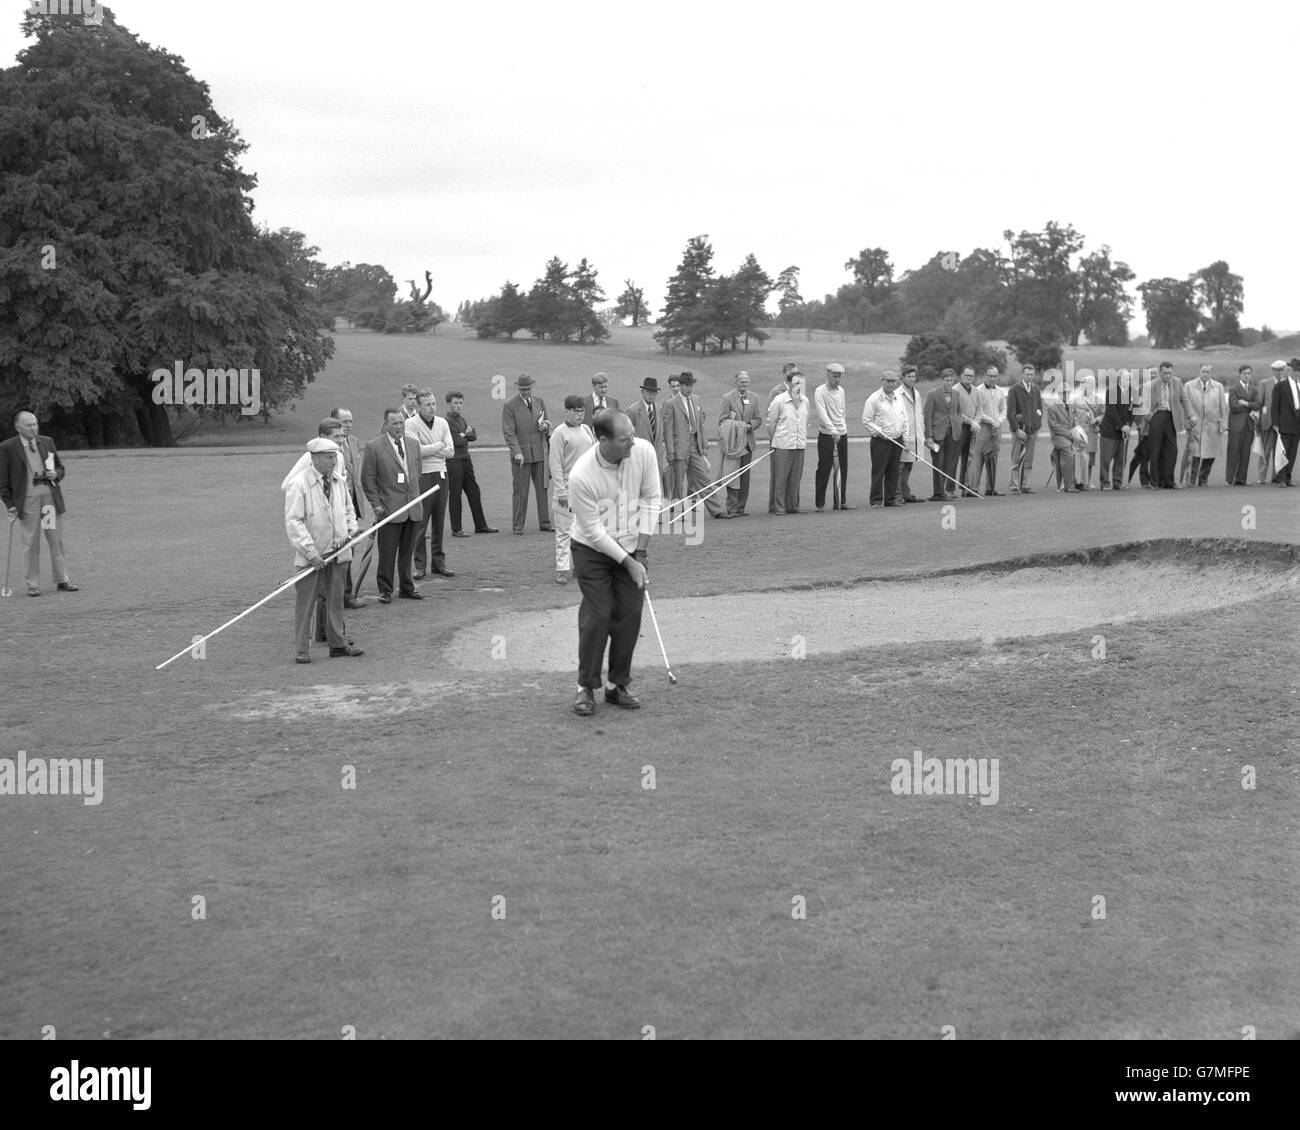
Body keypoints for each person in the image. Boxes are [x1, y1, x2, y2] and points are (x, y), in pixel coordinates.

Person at [568, 411, 660, 717]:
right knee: (598, 614)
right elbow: (593, 531)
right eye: (625, 439)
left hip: (633, 545)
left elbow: (651, 499)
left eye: (632, 435)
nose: (632, 443)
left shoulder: (643, 451)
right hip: (591, 550)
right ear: (603, 440)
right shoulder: (582, 474)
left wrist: (641, 553)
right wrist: (628, 563)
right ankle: (586, 687)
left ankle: (617, 685)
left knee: (630, 613)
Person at [284, 437, 362, 663]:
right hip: (313, 558)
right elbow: (294, 522)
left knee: (335, 601)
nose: (334, 461)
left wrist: (349, 534)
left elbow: (349, 512)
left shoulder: (338, 481)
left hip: (339, 554)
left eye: (335, 456)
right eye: (329, 457)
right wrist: (312, 553)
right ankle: (302, 649)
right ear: (315, 458)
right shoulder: (299, 484)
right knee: (306, 604)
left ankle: (337, 643)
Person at [0, 411, 76, 596]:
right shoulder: (7, 447)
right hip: (27, 503)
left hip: (49, 499)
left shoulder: (47, 441)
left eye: (35, 424)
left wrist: (56, 474)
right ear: (18, 427)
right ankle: (32, 585)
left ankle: (62, 579)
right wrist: (10, 505)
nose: (33, 428)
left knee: (55, 539)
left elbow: (60, 468)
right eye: (29, 425)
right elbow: (2, 482)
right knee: (31, 543)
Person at [361, 408, 425, 603]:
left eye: (401, 423)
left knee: (407, 552)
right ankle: (385, 590)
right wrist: (377, 505)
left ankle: (406, 587)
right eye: (394, 423)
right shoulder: (374, 447)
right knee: (388, 553)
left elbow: (417, 473)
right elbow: (367, 480)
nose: (399, 427)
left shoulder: (414, 444)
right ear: (386, 424)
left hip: (412, 507)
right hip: (389, 510)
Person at [406, 389, 455, 578]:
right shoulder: (411, 424)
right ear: (419, 406)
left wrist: (432, 448)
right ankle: (419, 565)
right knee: (421, 522)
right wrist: (438, 446)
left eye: (434, 403)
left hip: (441, 474)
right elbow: (417, 451)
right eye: (428, 404)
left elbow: (451, 451)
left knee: (439, 522)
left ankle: (438, 563)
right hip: (423, 476)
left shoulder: (442, 422)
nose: (432, 407)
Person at [549, 396, 597, 584]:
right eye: (576, 411)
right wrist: (560, 491)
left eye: (582, 411)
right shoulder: (559, 434)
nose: (579, 415)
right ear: (567, 411)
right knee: (564, 531)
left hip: (585, 489)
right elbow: (555, 464)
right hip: (567, 489)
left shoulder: (586, 429)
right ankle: (562, 569)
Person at [663, 372, 725, 518]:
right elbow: (668, 430)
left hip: (695, 447)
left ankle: (717, 511)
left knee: (704, 479)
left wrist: (704, 446)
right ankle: (678, 512)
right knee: (679, 483)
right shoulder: (670, 404)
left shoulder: (696, 400)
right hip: (679, 449)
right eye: (688, 385)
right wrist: (670, 451)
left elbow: (700, 425)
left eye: (692, 385)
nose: (691, 388)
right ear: (681, 386)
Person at [330, 407, 374, 607]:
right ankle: (343, 595)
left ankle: (345, 593)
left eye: (350, 421)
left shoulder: (354, 442)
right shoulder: (331, 447)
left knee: (351, 549)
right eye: (344, 421)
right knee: (343, 550)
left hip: (353, 504)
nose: (348, 425)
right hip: (336, 506)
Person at [502, 374, 553, 534]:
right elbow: (509, 433)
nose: (526, 392)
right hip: (521, 457)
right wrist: (517, 452)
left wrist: (545, 425)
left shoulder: (539, 401)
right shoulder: (509, 405)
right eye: (523, 389)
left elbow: (547, 421)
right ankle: (517, 526)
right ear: (518, 389)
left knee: (542, 490)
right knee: (520, 492)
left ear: (532, 387)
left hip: (539, 453)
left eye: (528, 389)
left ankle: (545, 523)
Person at [444, 391, 498, 536]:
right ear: (449, 404)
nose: (458, 406)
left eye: (460, 403)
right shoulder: (446, 421)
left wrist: (465, 435)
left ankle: (480, 525)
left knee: (474, 492)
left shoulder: (461, 420)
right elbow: (457, 441)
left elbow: (472, 435)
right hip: (454, 462)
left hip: (466, 460)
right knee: (455, 495)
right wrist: (465, 435)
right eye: (455, 403)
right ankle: (456, 529)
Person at [719, 370, 765, 515]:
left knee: (745, 477)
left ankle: (741, 508)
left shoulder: (754, 397)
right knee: (732, 476)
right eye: (742, 381)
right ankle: (732, 508)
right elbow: (722, 420)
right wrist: (738, 426)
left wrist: (751, 424)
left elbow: (758, 419)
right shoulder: (727, 398)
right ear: (736, 382)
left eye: (747, 381)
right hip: (733, 444)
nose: (745, 384)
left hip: (747, 444)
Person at [862, 371, 910, 507]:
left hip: (897, 439)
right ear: (882, 381)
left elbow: (904, 419)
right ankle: (876, 500)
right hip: (881, 441)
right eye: (888, 381)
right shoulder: (874, 398)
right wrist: (879, 432)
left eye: (893, 381)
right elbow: (866, 420)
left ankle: (891, 499)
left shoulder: (899, 398)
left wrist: (905, 439)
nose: (891, 384)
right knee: (879, 470)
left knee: (893, 471)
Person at [1144, 362, 1195, 489]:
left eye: (1170, 373)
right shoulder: (1151, 385)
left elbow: (1185, 400)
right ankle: (1154, 483)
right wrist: (1149, 417)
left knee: (1172, 451)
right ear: (1160, 372)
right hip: (1157, 417)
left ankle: (1169, 482)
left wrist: (1191, 415)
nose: (1168, 375)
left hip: (1171, 418)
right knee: (1155, 451)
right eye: (1165, 373)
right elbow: (1143, 405)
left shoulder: (1177, 382)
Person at [766, 373, 810, 515]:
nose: (799, 386)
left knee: (795, 477)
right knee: (780, 478)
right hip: (782, 445)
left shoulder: (805, 401)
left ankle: (793, 505)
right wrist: (776, 440)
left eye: (801, 383)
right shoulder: (779, 400)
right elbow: (771, 423)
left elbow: (804, 421)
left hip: (799, 445)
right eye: (796, 383)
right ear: (789, 383)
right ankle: (778, 506)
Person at [813, 363, 852, 511]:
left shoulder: (841, 391)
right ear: (828, 375)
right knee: (824, 468)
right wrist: (832, 429)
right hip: (827, 435)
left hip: (842, 433)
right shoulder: (820, 391)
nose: (837, 379)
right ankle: (820, 504)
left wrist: (842, 428)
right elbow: (822, 414)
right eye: (834, 376)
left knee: (842, 468)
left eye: (839, 376)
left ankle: (840, 501)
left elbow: (842, 411)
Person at [1182, 363, 1228, 487]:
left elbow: (1223, 406)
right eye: (1203, 371)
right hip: (1195, 425)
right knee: (1194, 454)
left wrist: (1224, 424)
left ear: (1211, 373)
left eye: (1208, 372)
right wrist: (1187, 424)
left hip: (1212, 425)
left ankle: (1203, 479)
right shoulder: (1188, 386)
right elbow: (1185, 406)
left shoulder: (1218, 387)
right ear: (1199, 371)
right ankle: (1191, 481)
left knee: (1210, 454)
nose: (1205, 374)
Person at [626, 377, 669, 501]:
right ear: (642, 392)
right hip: (639, 457)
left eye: (654, 392)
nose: (651, 395)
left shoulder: (660, 409)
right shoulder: (633, 411)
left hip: (657, 456)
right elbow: (627, 434)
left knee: (657, 484)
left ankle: (658, 512)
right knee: (641, 486)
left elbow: (662, 433)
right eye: (649, 392)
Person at [922, 369, 963, 500]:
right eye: (947, 380)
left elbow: (958, 413)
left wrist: (958, 425)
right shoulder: (932, 394)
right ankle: (938, 493)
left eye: (951, 380)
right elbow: (927, 416)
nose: (949, 383)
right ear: (942, 380)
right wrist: (928, 436)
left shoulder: (956, 394)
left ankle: (943, 491)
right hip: (937, 434)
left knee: (947, 463)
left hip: (952, 434)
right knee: (937, 463)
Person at [1006, 364, 1043, 494]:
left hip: (1032, 430)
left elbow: (1039, 409)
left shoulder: (1036, 389)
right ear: (1023, 374)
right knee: (1016, 458)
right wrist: (1017, 429)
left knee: (1029, 459)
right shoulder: (1014, 389)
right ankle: (1014, 485)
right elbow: (1010, 413)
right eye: (1027, 374)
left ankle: (1025, 484)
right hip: (1019, 431)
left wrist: (1037, 424)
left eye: (1032, 374)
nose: (1030, 377)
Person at [971, 366, 1006, 496]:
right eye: (990, 376)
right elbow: (979, 411)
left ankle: (990, 488)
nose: (992, 378)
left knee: (993, 458)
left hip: (996, 429)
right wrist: (992, 421)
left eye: (995, 376)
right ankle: (974, 488)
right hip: (983, 428)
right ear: (986, 376)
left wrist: (999, 422)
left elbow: (1003, 409)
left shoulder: (1000, 391)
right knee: (978, 458)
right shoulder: (978, 391)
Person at [1098, 371, 1135, 490]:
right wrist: (1121, 426)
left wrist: (1128, 425)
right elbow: (1111, 411)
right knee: (1106, 459)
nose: (1128, 382)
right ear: (1119, 380)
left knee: (1120, 459)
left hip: (1124, 431)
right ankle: (1105, 483)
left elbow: (1132, 410)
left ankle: (1117, 483)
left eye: (1129, 379)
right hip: (1110, 430)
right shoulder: (1111, 391)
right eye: (1126, 379)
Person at [895, 365, 927, 503]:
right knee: (900, 466)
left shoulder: (917, 393)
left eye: (914, 376)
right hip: (904, 434)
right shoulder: (897, 393)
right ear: (903, 377)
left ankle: (906, 493)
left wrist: (922, 433)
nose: (912, 379)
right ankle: (897, 495)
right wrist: (903, 435)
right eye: (909, 376)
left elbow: (919, 414)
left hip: (916, 434)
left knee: (909, 465)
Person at [1224, 365, 1260, 486]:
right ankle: (1229, 479)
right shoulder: (1234, 389)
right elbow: (1233, 407)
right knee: (1233, 452)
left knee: (1245, 453)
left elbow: (1258, 405)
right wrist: (1250, 407)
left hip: (1249, 426)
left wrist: (1245, 403)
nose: (1247, 375)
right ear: (1240, 374)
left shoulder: (1254, 390)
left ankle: (1241, 479)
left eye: (1249, 373)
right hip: (1236, 426)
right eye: (1244, 373)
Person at [1269, 358, 1300, 486]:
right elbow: (1274, 406)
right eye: (1295, 370)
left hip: (1297, 425)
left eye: (1299, 371)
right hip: (1283, 425)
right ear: (1290, 370)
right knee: (1282, 452)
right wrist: (1275, 423)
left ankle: (1288, 477)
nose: (1297, 373)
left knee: (1292, 453)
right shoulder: (1280, 386)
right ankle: (1280, 479)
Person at [1068, 373, 1100, 490]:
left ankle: (1089, 480)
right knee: (1078, 456)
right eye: (1088, 384)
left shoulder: (1098, 399)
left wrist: (1097, 419)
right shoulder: (1075, 399)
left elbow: (1102, 414)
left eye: (1092, 385)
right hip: (1079, 432)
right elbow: (1070, 414)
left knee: (1090, 457)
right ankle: (1076, 480)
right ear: (1083, 385)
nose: (1090, 387)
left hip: (1092, 432)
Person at [953, 366, 980, 496]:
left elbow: (980, 410)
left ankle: (966, 487)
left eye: (971, 376)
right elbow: (957, 413)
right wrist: (971, 422)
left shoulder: (975, 391)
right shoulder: (955, 390)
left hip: (973, 427)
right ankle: (949, 489)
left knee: (969, 458)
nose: (969, 378)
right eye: (967, 375)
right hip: (960, 427)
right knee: (954, 458)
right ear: (961, 375)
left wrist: (976, 422)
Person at [1255, 361, 1283, 483]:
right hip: (1267, 422)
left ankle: (1276, 476)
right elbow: (1259, 404)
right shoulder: (1264, 383)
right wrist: (1258, 423)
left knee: (1279, 453)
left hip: (1282, 425)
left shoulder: (1287, 384)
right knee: (1265, 452)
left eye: (1283, 369)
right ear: (1273, 370)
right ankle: (1261, 477)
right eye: (1279, 370)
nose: (1281, 372)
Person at [1045, 391, 1077, 493]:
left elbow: (1075, 422)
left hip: (1070, 435)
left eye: (1068, 393)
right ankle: (1069, 486)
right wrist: (1069, 434)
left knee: (1082, 450)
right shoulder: (1052, 408)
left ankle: (1080, 482)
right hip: (1058, 437)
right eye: (1063, 393)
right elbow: (1053, 425)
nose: (1066, 395)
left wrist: (1076, 432)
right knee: (1068, 452)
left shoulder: (1071, 406)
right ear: (1058, 394)